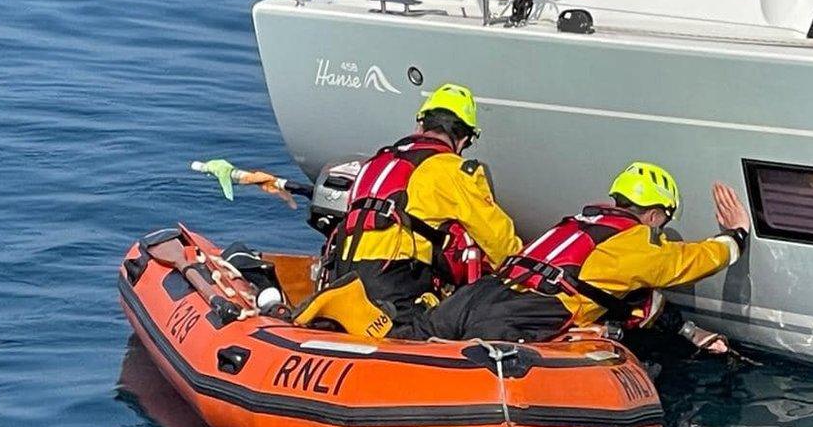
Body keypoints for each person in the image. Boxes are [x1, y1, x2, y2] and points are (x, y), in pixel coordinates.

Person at [399, 162, 749, 351]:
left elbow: (640, 299)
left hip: (481, 294)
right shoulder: (635, 242)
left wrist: (689, 331)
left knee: (410, 343)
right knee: (485, 366)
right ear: (656, 215)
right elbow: (689, 261)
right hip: (524, 314)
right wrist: (736, 236)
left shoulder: (576, 225)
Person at [316, 83, 522, 334]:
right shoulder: (454, 171)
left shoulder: (376, 163)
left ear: (420, 125)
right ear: (465, 139)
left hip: (342, 281)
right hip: (393, 290)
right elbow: (500, 243)